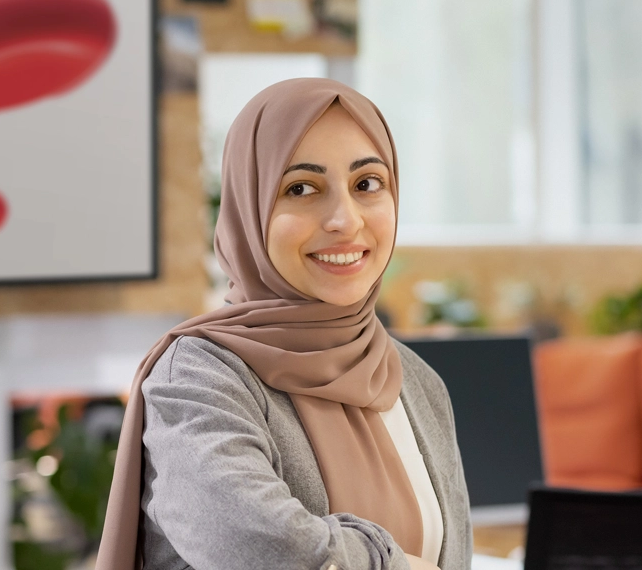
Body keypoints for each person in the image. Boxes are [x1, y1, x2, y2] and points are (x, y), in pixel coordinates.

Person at [96, 79, 472, 570]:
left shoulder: (417, 383)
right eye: (301, 188)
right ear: (248, 209)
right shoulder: (196, 379)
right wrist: (389, 563)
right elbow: (253, 546)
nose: (345, 220)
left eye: (367, 184)